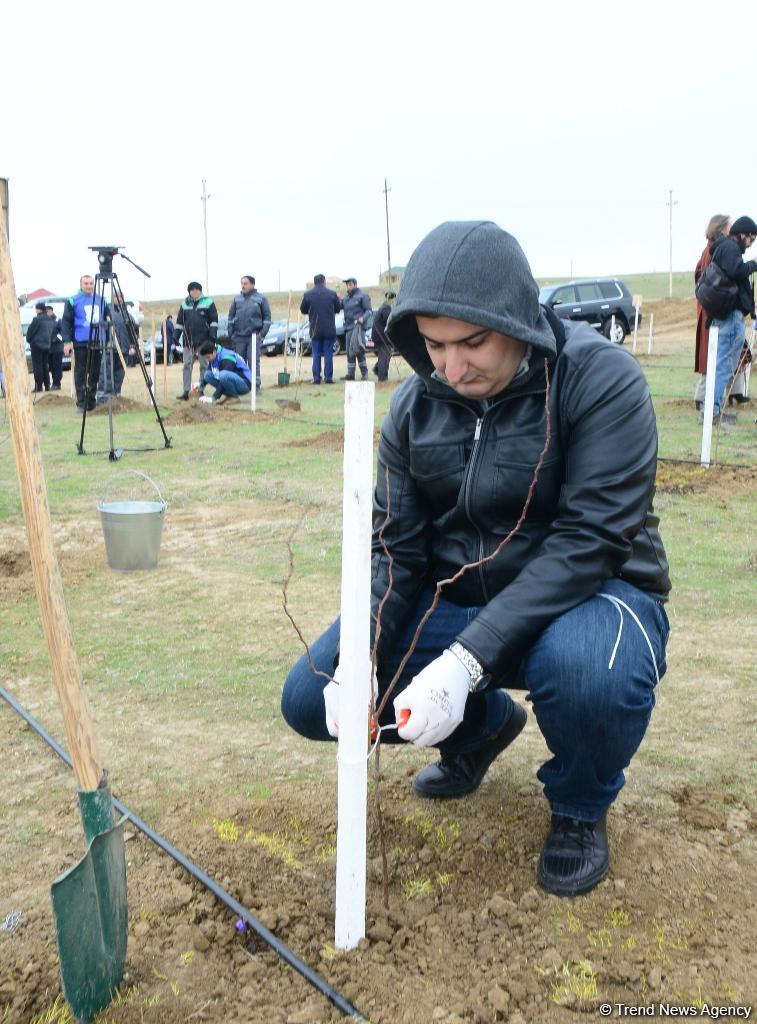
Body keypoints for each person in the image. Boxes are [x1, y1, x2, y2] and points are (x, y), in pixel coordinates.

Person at [281, 220, 671, 899]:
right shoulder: (413, 407)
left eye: (471, 342)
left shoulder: (600, 380)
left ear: (516, 320)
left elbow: (591, 540)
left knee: (586, 672)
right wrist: (363, 657)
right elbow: (395, 551)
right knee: (311, 696)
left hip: (592, 598)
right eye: (432, 345)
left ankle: (579, 808)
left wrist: (463, 663)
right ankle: (482, 728)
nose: (452, 368)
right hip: (459, 603)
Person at [703, 214, 757, 423]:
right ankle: (714, 413)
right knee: (724, 366)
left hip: (724, 315)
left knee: (720, 365)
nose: (751, 243)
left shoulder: (722, 248)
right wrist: (753, 264)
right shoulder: (730, 248)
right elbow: (737, 271)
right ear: (742, 234)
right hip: (730, 317)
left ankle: (712, 411)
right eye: (751, 238)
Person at [694, 214, 730, 412]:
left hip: (710, 308)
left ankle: (710, 398)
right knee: (712, 355)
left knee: (714, 355)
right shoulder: (713, 251)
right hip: (713, 310)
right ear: (722, 228)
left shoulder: (709, 249)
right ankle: (704, 399)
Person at [61, 274, 108, 411]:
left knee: (94, 373)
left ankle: (91, 401)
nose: (89, 286)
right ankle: (81, 402)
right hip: (81, 341)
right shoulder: (73, 300)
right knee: (81, 372)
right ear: (81, 285)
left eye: (91, 283)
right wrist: (67, 341)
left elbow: (106, 317)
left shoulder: (101, 300)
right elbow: (66, 322)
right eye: (86, 283)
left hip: (97, 340)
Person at [174, 281, 219, 400]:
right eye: (192, 289)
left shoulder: (208, 302)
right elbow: (179, 322)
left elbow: (214, 322)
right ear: (189, 292)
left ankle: (201, 390)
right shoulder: (184, 305)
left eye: (197, 289)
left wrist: (212, 338)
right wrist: (175, 335)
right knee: (187, 365)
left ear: (200, 291)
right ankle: (186, 392)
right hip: (188, 341)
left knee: (204, 366)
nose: (195, 291)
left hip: (204, 341)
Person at [228, 275, 271, 395]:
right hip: (239, 337)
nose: (243, 285)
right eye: (242, 283)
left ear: (252, 284)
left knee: (253, 362)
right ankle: (239, 387)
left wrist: (262, 334)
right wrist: (231, 333)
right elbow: (230, 317)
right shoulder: (237, 299)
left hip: (253, 336)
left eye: (245, 283)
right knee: (238, 363)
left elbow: (267, 318)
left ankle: (256, 387)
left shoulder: (261, 299)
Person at [300, 274, 342, 384]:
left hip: (315, 329)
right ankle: (328, 378)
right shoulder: (332, 294)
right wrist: (338, 299)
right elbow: (338, 309)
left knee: (316, 354)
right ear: (324, 282)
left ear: (314, 282)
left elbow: (303, 310)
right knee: (328, 353)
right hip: (329, 329)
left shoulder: (307, 294)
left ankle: (316, 378)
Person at [97, 294, 135, 401]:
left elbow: (132, 329)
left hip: (124, 347)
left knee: (120, 373)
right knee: (107, 372)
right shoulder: (107, 311)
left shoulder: (126, 313)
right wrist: (106, 340)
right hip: (110, 347)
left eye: (121, 297)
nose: (119, 299)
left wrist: (132, 344)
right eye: (116, 297)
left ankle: (116, 395)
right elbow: (102, 326)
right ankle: (103, 396)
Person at [197, 340, 252, 404]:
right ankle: (231, 396)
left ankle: (234, 397)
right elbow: (209, 372)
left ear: (214, 352)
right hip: (232, 380)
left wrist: (214, 398)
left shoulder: (227, 357)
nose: (207, 359)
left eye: (208, 357)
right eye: (206, 358)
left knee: (223, 375)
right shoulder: (213, 357)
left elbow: (224, 378)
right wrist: (199, 385)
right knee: (207, 375)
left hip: (245, 384)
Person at [340, 277, 372, 381]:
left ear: (355, 285)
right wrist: (337, 299)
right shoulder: (345, 298)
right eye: (347, 285)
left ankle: (365, 374)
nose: (348, 287)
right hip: (348, 328)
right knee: (350, 352)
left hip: (358, 328)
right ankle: (350, 374)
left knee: (358, 350)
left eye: (350, 284)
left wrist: (363, 318)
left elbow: (369, 311)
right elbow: (339, 307)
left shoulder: (363, 296)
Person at [26, 301, 53, 393]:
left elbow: (30, 332)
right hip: (47, 345)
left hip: (37, 345)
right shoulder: (49, 319)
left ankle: (39, 386)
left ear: (38, 309)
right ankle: (47, 385)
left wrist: (30, 340)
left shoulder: (37, 319)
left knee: (37, 366)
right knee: (45, 365)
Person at [371, 291, 396, 382]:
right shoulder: (386, 308)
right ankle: (382, 378)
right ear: (392, 299)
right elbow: (389, 320)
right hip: (381, 337)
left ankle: (377, 369)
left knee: (384, 355)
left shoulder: (384, 306)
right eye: (394, 299)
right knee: (384, 357)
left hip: (379, 336)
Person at [45, 305, 64, 390]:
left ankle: (57, 383)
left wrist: (56, 338)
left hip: (57, 347)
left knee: (57, 366)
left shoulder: (58, 320)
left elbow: (63, 332)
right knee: (51, 366)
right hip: (49, 348)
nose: (47, 313)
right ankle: (54, 382)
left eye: (48, 311)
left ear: (51, 311)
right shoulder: (45, 321)